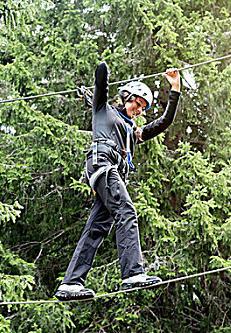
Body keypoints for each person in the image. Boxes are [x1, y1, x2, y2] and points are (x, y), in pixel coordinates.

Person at [55, 62, 181, 301]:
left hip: (109, 174)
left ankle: (71, 283)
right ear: (126, 97)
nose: (139, 110)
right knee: (126, 212)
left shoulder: (134, 131)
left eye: (143, 107)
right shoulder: (103, 110)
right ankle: (133, 273)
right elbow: (101, 82)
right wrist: (102, 70)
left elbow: (164, 122)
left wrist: (174, 89)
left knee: (97, 228)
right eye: (137, 103)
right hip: (103, 166)